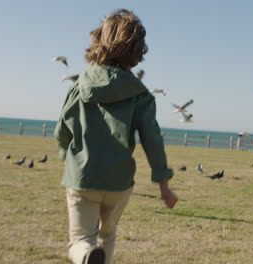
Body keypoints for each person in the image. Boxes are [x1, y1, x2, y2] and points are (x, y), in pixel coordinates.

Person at [54, 9, 178, 264]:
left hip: (82, 176)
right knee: (107, 235)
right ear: (138, 52)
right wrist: (163, 183)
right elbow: (152, 138)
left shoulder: (79, 86)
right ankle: (95, 256)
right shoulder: (140, 95)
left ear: (99, 41)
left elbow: (62, 128)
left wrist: (66, 153)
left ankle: (86, 255)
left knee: (80, 240)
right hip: (119, 181)